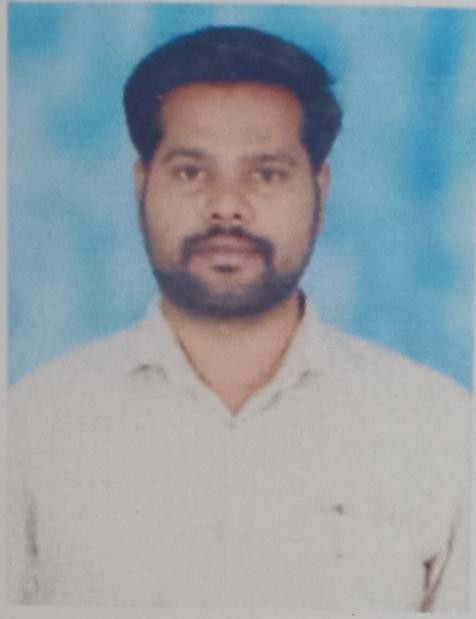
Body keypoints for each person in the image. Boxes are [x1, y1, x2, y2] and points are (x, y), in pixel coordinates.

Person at [8, 26, 471, 611]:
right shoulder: (31, 428)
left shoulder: (438, 431)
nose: (226, 206)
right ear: (142, 186)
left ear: (320, 193)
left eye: (266, 173)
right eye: (190, 172)